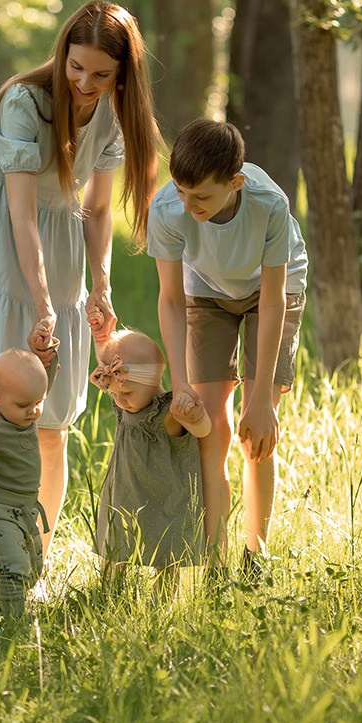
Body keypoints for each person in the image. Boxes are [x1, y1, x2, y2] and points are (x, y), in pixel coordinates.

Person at [0, 0, 162, 598]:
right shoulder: (23, 103)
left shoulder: (109, 116)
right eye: (76, 67)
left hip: (61, 253)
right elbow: (21, 217)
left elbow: (98, 209)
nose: (84, 83)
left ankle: (29, 571)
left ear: (121, 76)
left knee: (50, 428)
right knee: (1, 424)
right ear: (63, 55)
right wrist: (43, 302)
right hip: (5, 256)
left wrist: (99, 285)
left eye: (101, 74)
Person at [147, 119, 308, 580]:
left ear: (235, 183)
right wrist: (179, 380)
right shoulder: (168, 209)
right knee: (211, 425)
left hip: (271, 291)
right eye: (181, 191)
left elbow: (274, 297)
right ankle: (215, 558)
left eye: (201, 197)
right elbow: (171, 298)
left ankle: (255, 554)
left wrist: (261, 401)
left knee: (256, 434)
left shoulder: (268, 205)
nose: (188, 204)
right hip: (206, 291)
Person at [87, 312, 209, 593]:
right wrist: (99, 335)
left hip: (164, 495)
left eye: (126, 393)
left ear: (152, 383)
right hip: (126, 491)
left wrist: (196, 416)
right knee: (117, 542)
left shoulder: (167, 412)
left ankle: (163, 594)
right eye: (114, 392)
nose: (119, 400)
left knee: (166, 552)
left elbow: (203, 431)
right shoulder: (125, 398)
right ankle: (110, 590)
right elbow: (107, 363)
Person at [0, 349, 56, 617]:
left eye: (39, 401)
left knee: (30, 572)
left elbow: (41, 379)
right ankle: (15, 630)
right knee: (14, 568)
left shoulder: (24, 407)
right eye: (25, 405)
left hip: (24, 513)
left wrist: (51, 350)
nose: (35, 410)